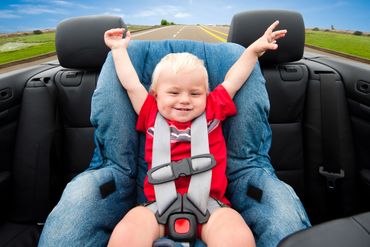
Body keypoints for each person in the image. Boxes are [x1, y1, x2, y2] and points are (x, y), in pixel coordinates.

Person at [104, 21, 287, 247]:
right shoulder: (150, 110)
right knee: (128, 232)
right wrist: (119, 50)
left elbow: (233, 80)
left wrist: (252, 52)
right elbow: (131, 84)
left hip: (211, 206)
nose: (184, 100)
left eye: (195, 93)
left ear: (206, 94)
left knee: (235, 234)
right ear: (155, 95)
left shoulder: (213, 107)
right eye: (173, 92)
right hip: (156, 206)